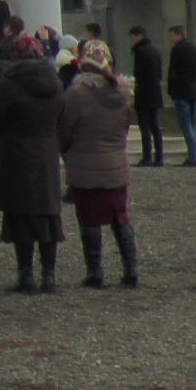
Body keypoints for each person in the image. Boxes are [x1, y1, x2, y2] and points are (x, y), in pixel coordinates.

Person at [0, 31, 65, 294]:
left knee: (20, 216)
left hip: (16, 153)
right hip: (46, 151)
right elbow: (60, 115)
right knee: (47, 216)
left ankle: (26, 276)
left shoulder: (9, 83)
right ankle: (49, 274)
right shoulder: (55, 83)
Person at [58, 41, 137, 288]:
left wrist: (65, 150)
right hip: (115, 163)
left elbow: (64, 128)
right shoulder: (121, 95)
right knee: (119, 216)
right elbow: (123, 129)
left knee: (89, 219)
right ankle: (131, 268)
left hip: (85, 163)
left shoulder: (76, 94)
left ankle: (95, 271)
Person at [128, 26, 164, 167]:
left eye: (132, 37)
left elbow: (138, 74)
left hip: (144, 92)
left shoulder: (140, 52)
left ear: (139, 37)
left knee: (145, 126)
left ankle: (147, 156)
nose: (131, 40)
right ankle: (159, 157)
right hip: (155, 91)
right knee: (154, 125)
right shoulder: (155, 51)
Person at [166, 26, 196, 167]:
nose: (171, 39)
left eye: (172, 36)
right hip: (194, 90)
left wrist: (171, 90)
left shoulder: (177, 50)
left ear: (179, 35)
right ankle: (195, 154)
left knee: (185, 124)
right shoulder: (194, 48)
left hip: (181, 91)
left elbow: (173, 71)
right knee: (192, 124)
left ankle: (193, 157)